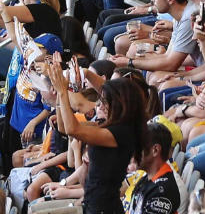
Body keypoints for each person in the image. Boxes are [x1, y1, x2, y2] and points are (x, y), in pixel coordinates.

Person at [48, 61, 147, 214]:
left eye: (105, 102)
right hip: (92, 203)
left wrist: (62, 91)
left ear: (119, 104)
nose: (99, 105)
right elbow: (64, 128)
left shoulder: (120, 132)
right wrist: (82, 74)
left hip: (103, 208)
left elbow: (72, 128)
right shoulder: (110, 124)